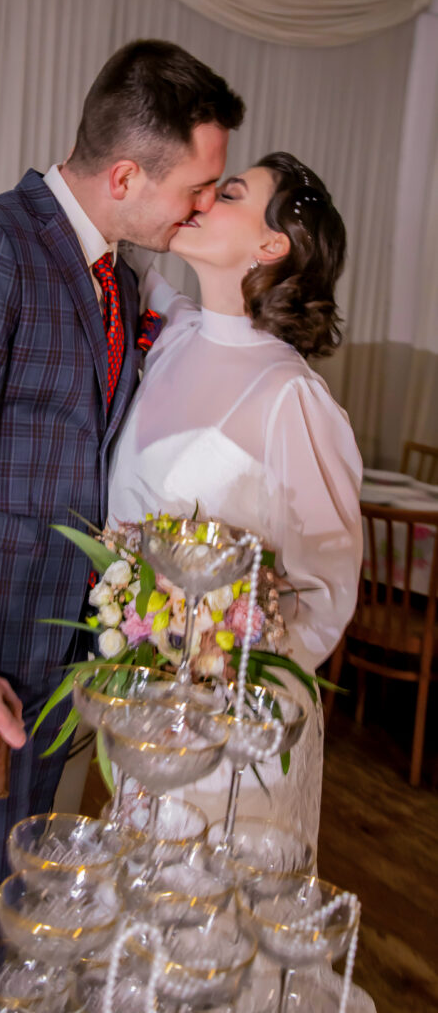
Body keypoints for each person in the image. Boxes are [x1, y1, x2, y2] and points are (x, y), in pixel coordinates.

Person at [0, 39, 244, 1013]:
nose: (200, 207)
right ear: (124, 174)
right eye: (195, 188)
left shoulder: (111, 277)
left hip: (40, 657)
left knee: (14, 917)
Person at [109, 152, 364, 849]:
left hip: (230, 731)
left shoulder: (293, 399)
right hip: (140, 703)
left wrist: (223, 673)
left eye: (227, 193)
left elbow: (324, 587)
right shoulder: (177, 333)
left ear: (269, 245)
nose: (200, 199)